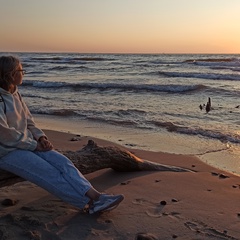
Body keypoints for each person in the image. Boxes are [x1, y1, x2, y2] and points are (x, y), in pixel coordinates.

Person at [0, 55, 124, 214]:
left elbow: (28, 119)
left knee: (63, 162)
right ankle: (89, 204)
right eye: (21, 70)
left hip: (26, 143)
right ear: (10, 74)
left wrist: (41, 137)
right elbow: (5, 134)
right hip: (6, 151)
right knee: (47, 172)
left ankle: (97, 196)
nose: (24, 73)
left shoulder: (15, 92)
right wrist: (34, 145)